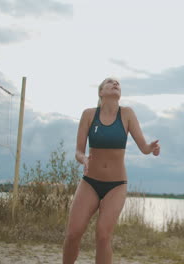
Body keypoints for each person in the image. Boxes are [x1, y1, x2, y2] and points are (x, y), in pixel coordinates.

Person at [63, 77, 160, 263]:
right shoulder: (89, 114)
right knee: (73, 233)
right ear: (101, 92)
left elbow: (143, 147)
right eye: (109, 82)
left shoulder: (127, 114)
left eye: (118, 83)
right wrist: (83, 158)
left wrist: (151, 148)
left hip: (116, 185)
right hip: (90, 182)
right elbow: (78, 151)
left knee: (103, 235)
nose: (115, 84)